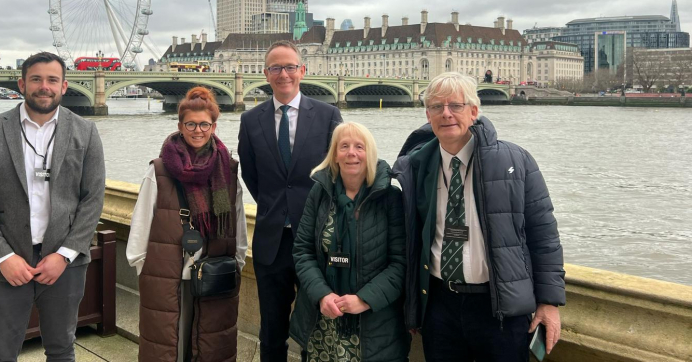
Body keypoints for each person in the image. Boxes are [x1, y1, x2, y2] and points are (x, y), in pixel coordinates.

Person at [393, 72, 565, 361]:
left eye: (455, 106)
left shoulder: (516, 160)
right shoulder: (414, 167)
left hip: (499, 308)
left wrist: (549, 302)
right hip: (439, 305)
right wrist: (412, 306)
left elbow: (543, 233)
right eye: (436, 107)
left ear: (474, 111)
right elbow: (411, 241)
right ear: (427, 114)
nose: (446, 114)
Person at [0, 51, 105, 361]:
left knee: (61, 348)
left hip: (63, 264)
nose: (45, 86)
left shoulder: (86, 132)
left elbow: (92, 199)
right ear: (21, 84)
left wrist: (65, 254)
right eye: (37, 79)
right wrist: (2, 256)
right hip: (7, 262)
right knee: (1, 351)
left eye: (52, 80)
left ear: (64, 86)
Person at [238, 40, 342, 361]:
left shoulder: (327, 116)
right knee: (272, 330)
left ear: (302, 71)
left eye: (290, 67)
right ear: (266, 74)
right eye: (276, 68)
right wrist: (275, 206)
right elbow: (250, 174)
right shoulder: (250, 120)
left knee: (318, 327)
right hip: (272, 240)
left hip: (316, 240)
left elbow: (339, 174)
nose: (283, 74)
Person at [126, 86, 248, 362]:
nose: (197, 130)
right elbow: (141, 222)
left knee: (208, 348)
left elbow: (237, 220)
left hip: (213, 272)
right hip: (168, 275)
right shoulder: (158, 170)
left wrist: (238, 262)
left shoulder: (228, 169)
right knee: (171, 348)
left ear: (214, 126)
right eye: (191, 124)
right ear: (180, 125)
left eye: (204, 124)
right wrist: (143, 266)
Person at [290, 122, 410, 362]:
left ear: (370, 153)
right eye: (344, 146)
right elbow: (303, 251)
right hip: (323, 323)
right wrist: (322, 295)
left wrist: (365, 299)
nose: (351, 153)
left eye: (359, 146)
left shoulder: (391, 198)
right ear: (335, 155)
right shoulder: (319, 193)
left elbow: (401, 263)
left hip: (374, 327)